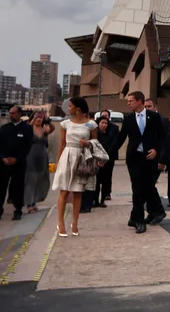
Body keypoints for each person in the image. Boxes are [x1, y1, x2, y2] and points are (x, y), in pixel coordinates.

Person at [52, 97, 106, 237]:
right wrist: (58, 162)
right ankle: (61, 224)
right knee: (64, 191)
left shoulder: (91, 124)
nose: (68, 108)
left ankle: (75, 223)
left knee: (77, 191)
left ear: (78, 108)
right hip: (68, 155)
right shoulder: (65, 124)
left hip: (82, 157)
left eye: (70, 106)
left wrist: (88, 143)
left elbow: (96, 143)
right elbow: (62, 143)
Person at [115, 91, 166, 233]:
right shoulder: (128, 118)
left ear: (139, 101)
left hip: (150, 158)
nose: (128, 103)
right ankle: (139, 220)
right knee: (137, 189)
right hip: (134, 158)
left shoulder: (154, 117)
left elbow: (162, 137)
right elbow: (121, 137)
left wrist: (156, 150)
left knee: (148, 187)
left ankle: (144, 215)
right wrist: (108, 153)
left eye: (130, 101)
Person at [0, 105, 33, 220]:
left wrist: (17, 159)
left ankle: (18, 210)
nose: (11, 115)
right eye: (10, 113)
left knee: (17, 187)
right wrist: (3, 158)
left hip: (19, 164)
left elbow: (28, 147)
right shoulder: (4, 128)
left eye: (13, 113)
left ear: (20, 114)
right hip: (4, 164)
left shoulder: (27, 129)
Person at [23, 112, 53, 214]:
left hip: (43, 158)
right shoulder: (29, 129)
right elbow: (25, 129)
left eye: (41, 118)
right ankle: (29, 203)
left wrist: (48, 120)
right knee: (30, 180)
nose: (39, 119)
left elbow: (52, 128)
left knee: (40, 180)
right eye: (37, 117)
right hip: (31, 157)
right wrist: (32, 120)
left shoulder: (45, 129)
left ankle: (34, 201)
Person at [94, 114, 119, 207]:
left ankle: (102, 200)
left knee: (105, 181)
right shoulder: (95, 135)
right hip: (96, 161)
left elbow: (111, 148)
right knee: (96, 182)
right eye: (102, 123)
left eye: (106, 123)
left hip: (107, 161)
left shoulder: (109, 136)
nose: (104, 125)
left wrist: (104, 159)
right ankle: (95, 200)